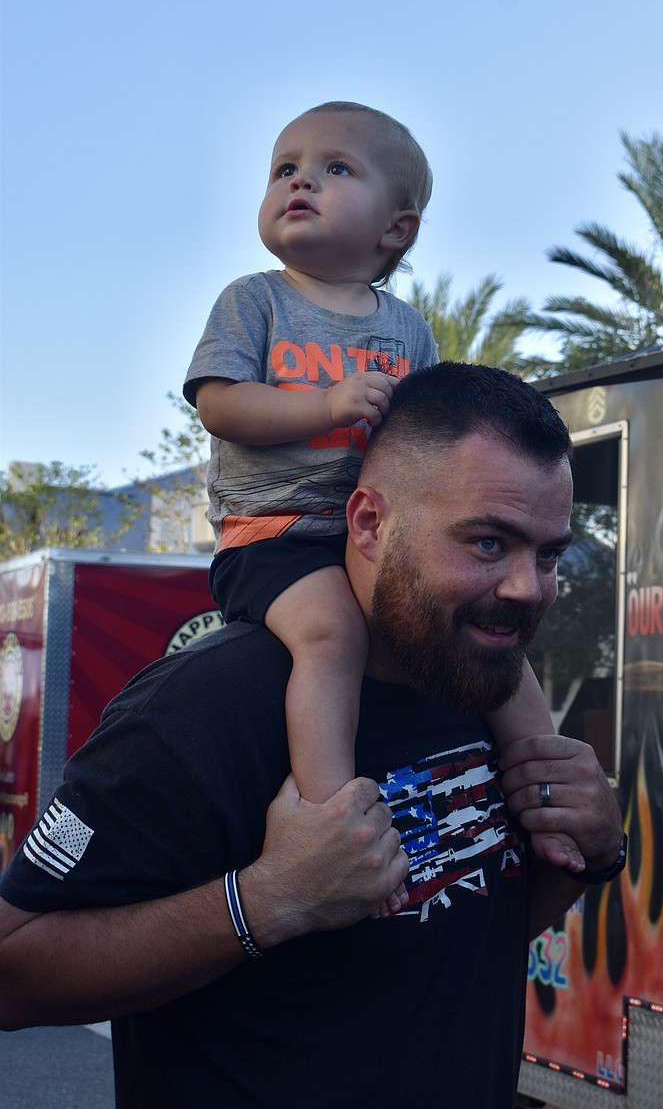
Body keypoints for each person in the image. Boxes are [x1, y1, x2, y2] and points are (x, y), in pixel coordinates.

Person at [0, 363, 624, 1109]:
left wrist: (593, 849)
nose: (529, 586)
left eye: (548, 553)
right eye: (489, 543)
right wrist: (265, 902)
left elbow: (475, 935)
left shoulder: (475, 684)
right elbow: (11, 967)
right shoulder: (200, 709)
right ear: (368, 523)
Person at [185, 100, 581, 874]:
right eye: (285, 168)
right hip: (277, 533)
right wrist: (325, 405)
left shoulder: (406, 328)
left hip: (374, 537)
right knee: (332, 636)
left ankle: (554, 790)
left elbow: (431, 438)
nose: (301, 180)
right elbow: (218, 403)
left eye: (335, 168)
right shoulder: (256, 299)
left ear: (397, 228)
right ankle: (332, 822)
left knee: (497, 650)